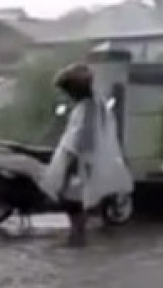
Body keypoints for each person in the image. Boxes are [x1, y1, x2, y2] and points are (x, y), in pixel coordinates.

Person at [40, 63, 133, 247]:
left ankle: (77, 241)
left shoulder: (88, 108)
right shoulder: (91, 105)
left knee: (73, 203)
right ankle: (76, 240)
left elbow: (81, 141)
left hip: (79, 163)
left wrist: (71, 166)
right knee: (73, 203)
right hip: (79, 161)